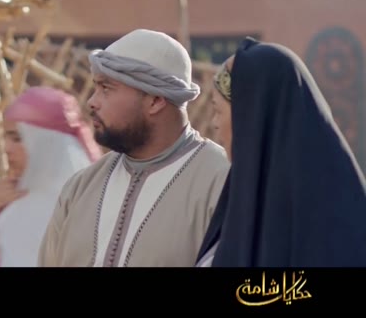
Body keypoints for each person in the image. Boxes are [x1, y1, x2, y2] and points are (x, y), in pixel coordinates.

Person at [38, 29, 231, 267]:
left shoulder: (222, 183)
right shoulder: (80, 188)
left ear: (155, 101)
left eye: (106, 88)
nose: (91, 101)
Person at [196, 37, 366, 267]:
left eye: (218, 111)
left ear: (251, 117)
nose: (214, 123)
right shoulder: (244, 196)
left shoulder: (331, 220)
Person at [0, 86, 102, 267]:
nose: (6, 148)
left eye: (17, 138)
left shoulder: (76, 211)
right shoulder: (9, 197)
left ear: (46, 143)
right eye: (6, 137)